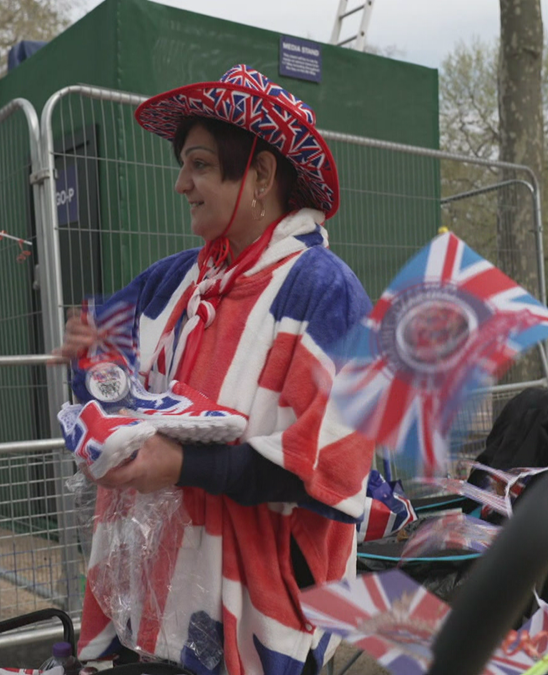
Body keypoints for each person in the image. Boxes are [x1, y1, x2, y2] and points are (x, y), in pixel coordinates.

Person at [55, 66, 373, 675]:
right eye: (184, 165)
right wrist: (108, 403)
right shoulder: (174, 278)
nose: (181, 183)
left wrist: (183, 462)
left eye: (199, 164)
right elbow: (97, 347)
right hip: (152, 588)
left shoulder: (325, 292)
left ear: (259, 175)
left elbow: (333, 464)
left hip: (258, 610)